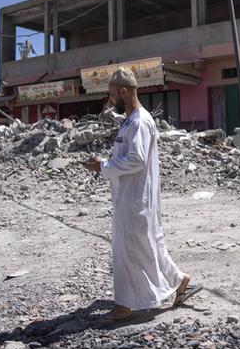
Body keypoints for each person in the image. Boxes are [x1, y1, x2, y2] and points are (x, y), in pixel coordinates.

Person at [80, 67, 192, 326]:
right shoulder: (131, 120)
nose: (110, 99)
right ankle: (179, 280)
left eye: (111, 94)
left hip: (135, 199)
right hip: (134, 196)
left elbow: (137, 159)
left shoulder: (139, 121)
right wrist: (105, 163)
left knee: (128, 250)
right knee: (149, 245)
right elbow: (129, 157)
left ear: (123, 91)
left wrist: (104, 167)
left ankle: (123, 307)